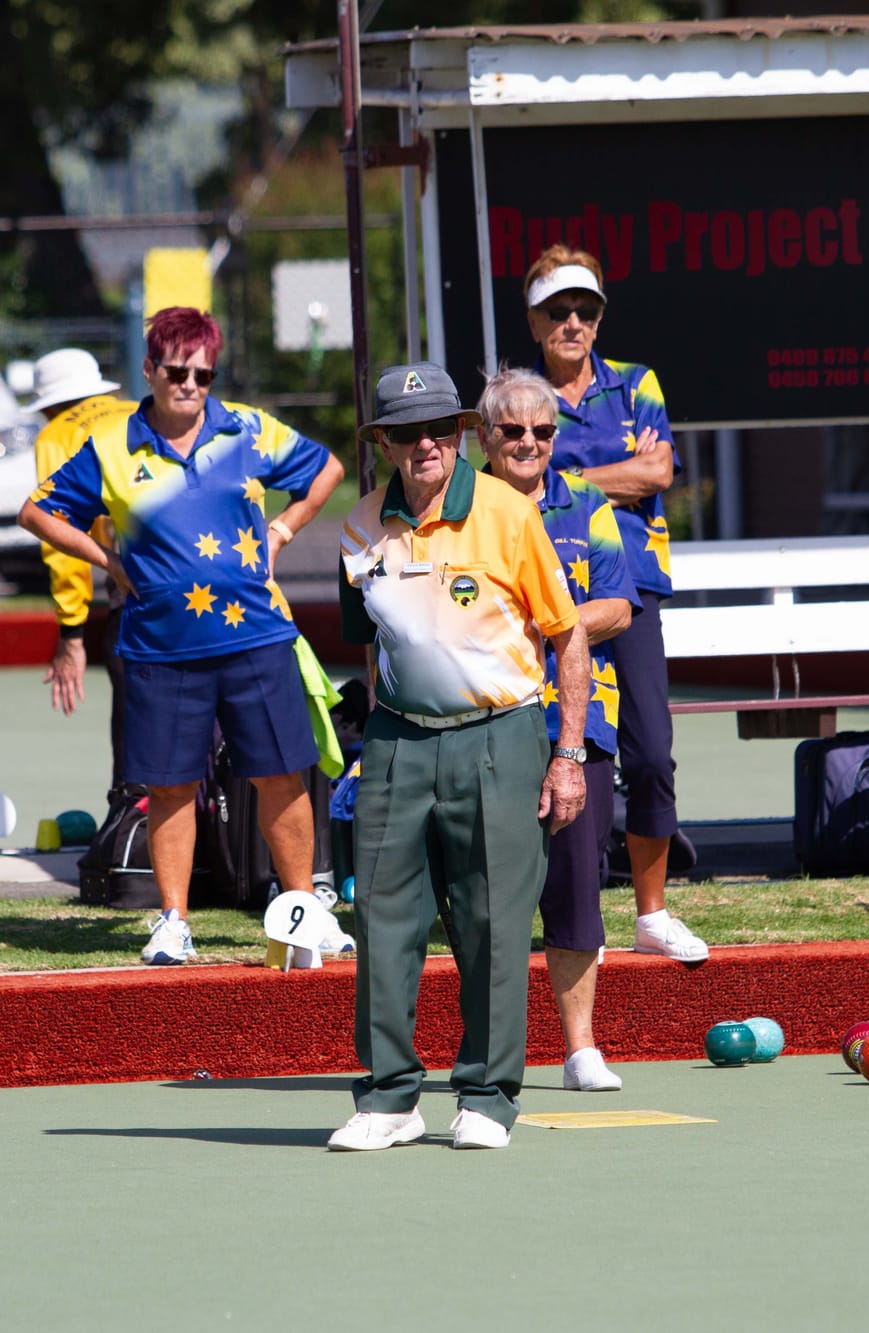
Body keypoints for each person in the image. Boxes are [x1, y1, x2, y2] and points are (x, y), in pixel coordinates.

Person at [18, 307, 345, 966]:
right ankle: (173, 922)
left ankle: (306, 910)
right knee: (167, 789)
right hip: (160, 648)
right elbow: (37, 511)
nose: (191, 383)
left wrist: (282, 530)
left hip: (255, 636)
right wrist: (108, 559)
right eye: (177, 371)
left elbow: (327, 469)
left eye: (203, 372)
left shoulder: (248, 428)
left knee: (282, 777)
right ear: (150, 369)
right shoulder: (112, 446)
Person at [329, 361, 588, 1152]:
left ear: (462, 435)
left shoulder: (511, 514)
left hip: (499, 735)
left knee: (492, 918)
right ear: (383, 443)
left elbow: (566, 632)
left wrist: (567, 753)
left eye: (439, 428)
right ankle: (388, 1097)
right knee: (380, 911)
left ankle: (487, 1093)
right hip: (399, 735)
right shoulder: (357, 527)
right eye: (405, 433)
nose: (425, 444)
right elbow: (370, 640)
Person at [522, 244, 706, 963]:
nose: (573, 321)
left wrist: (563, 477)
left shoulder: (637, 383)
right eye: (558, 310)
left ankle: (652, 915)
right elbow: (510, 481)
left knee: (651, 753)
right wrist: (615, 476)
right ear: (533, 319)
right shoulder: (521, 398)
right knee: (559, 753)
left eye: (586, 309)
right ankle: (573, 918)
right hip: (541, 597)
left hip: (632, 591)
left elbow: (659, 469)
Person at [476, 367, 639, 1093]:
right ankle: (489, 1049)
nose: (528, 442)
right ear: (483, 436)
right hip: (480, 723)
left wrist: (551, 622)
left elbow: (621, 605)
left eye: (542, 430)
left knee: (576, 889)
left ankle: (580, 1050)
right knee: (485, 894)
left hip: (579, 726)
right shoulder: (460, 509)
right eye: (512, 430)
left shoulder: (591, 506)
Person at [24, 348, 136, 784]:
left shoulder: (56, 435)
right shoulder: (143, 410)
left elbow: (60, 533)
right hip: (207, 576)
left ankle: (134, 819)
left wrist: (72, 632)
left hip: (136, 592)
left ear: (49, 403)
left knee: (136, 723)